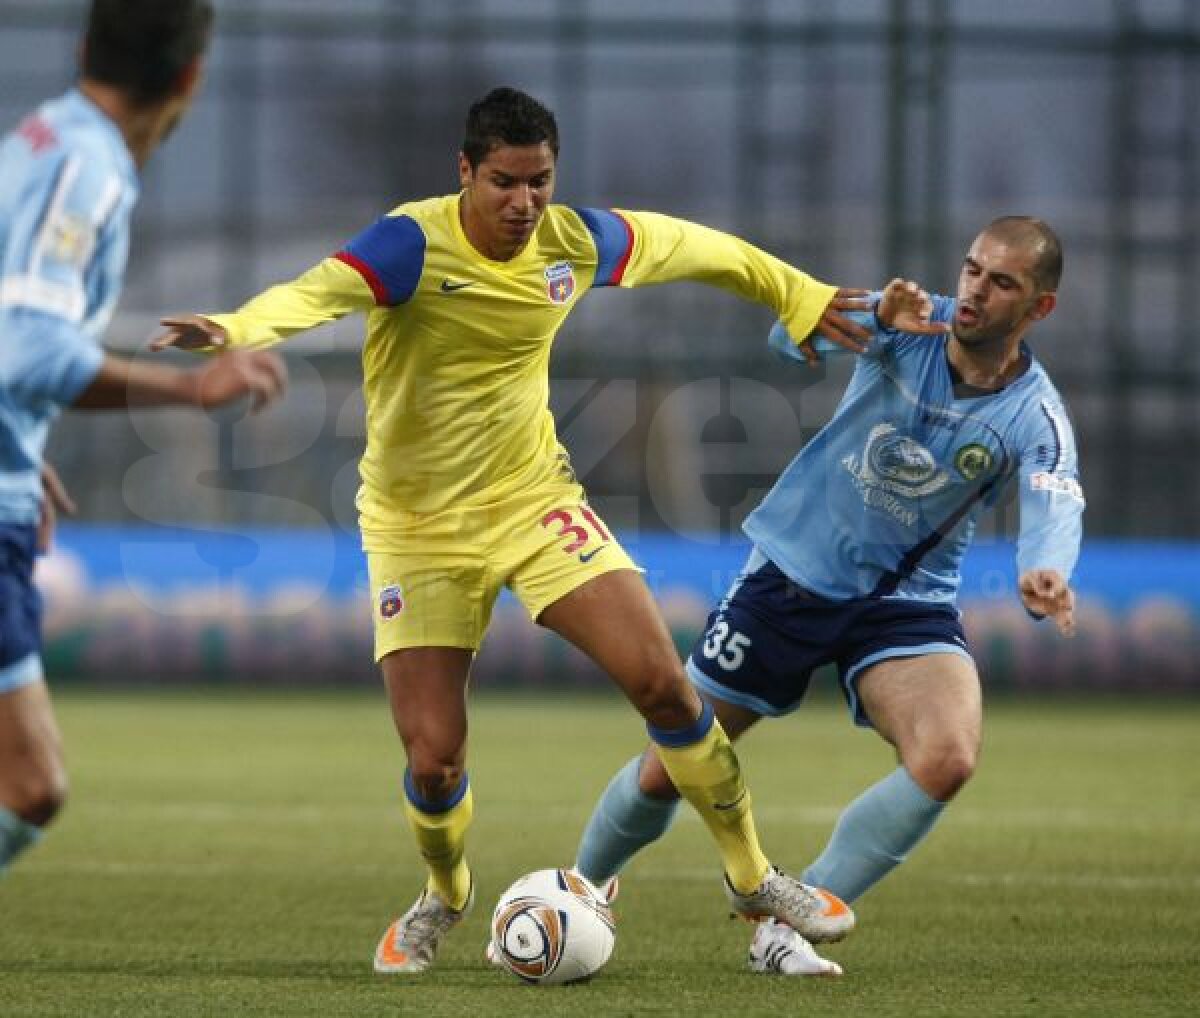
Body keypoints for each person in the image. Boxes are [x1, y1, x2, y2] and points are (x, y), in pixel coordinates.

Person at [152, 86, 873, 974]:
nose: (524, 203)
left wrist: (799, 295)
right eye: (504, 182)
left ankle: (754, 876)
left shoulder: (572, 242)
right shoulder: (412, 243)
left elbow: (700, 248)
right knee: (434, 761)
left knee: (663, 685)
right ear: (465, 172)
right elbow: (318, 293)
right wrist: (233, 328)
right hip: (415, 529)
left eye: (539, 182)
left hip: (533, 503)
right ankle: (444, 893)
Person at [573, 216, 1084, 977]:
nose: (975, 289)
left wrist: (1046, 567)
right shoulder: (909, 318)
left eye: (1002, 282)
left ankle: (789, 924)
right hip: (790, 578)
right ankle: (579, 888)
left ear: (1039, 307)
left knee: (946, 757)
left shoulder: (1033, 416)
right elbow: (792, 338)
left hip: (905, 605)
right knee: (670, 763)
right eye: (974, 269)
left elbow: (1055, 498)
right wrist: (873, 316)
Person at [0, 0, 287, 879]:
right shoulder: (85, 171)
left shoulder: (35, 142)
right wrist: (191, 389)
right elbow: (31, 349)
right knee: (31, 784)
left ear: (87, 46)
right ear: (189, 80)